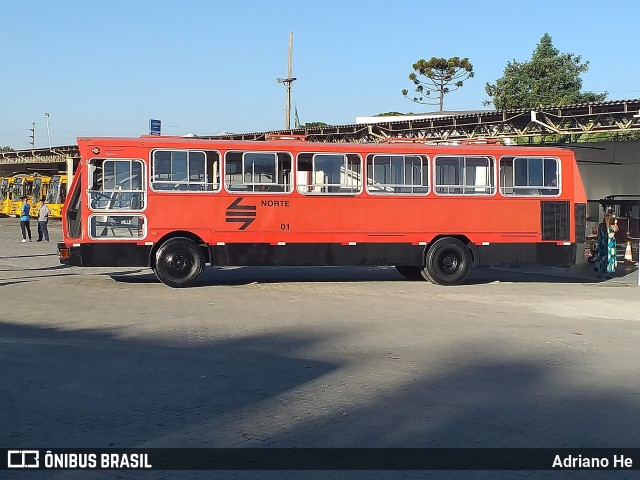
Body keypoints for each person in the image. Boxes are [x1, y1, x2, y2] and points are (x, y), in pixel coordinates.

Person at [595, 212, 618, 279]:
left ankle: (599, 273)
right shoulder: (611, 227)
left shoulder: (600, 226)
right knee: (609, 259)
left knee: (601, 258)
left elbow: (598, 235)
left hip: (601, 244)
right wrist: (615, 223)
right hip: (610, 246)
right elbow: (614, 233)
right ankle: (607, 274)